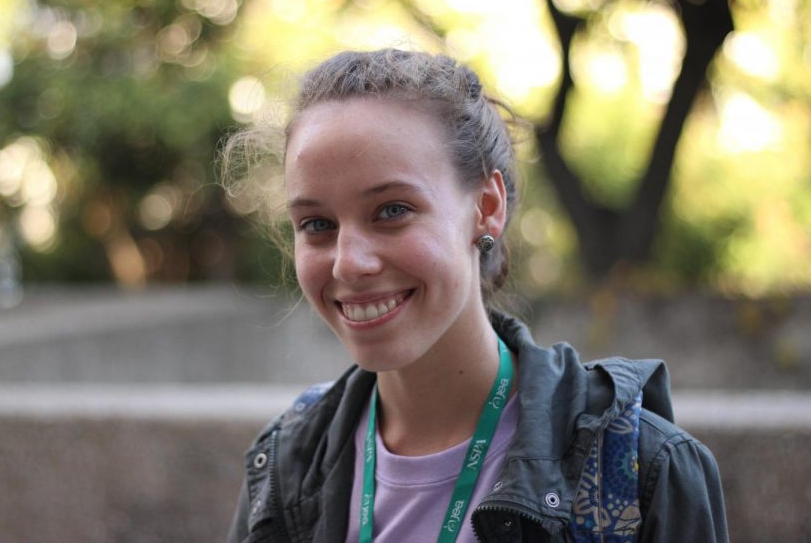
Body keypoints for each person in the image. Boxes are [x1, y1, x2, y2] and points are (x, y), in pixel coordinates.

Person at [223, 49, 727, 542]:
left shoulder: (640, 469)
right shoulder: (285, 467)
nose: (348, 262)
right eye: (316, 224)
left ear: (486, 207)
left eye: (392, 210)